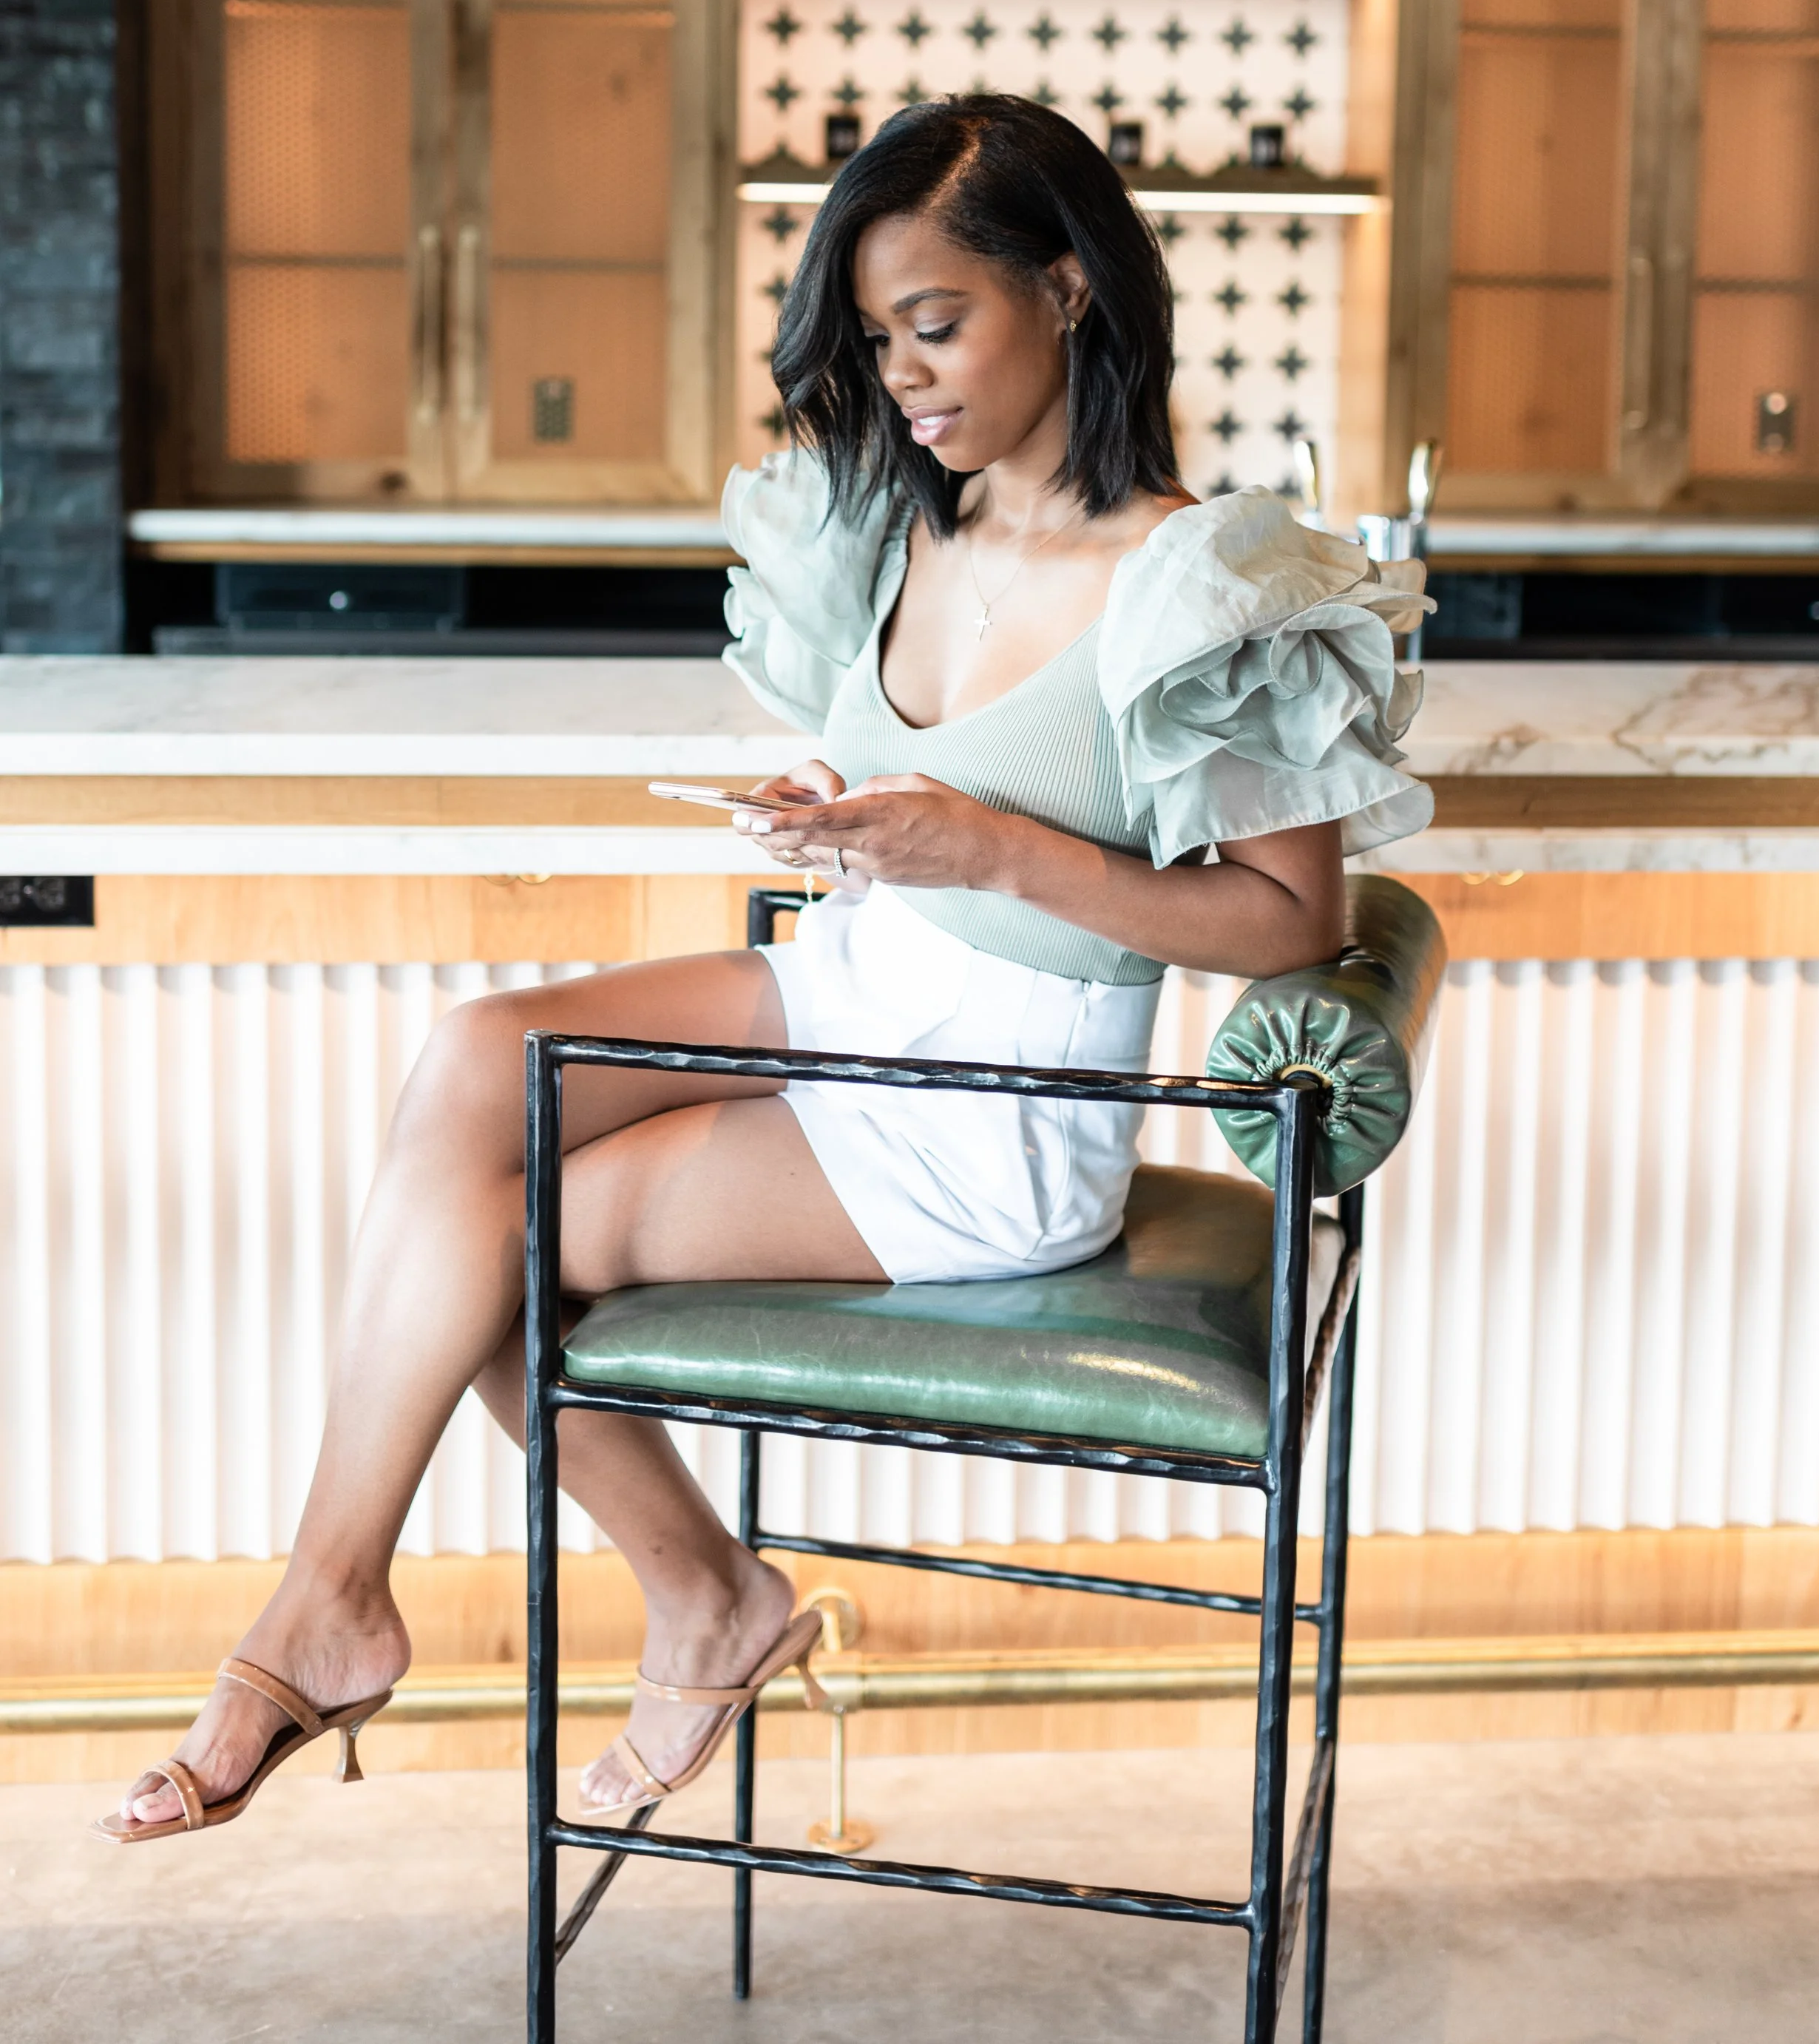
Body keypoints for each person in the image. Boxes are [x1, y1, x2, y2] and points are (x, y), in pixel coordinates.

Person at [100, 92, 1431, 1844]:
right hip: (853, 996)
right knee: (469, 1062)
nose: (904, 377)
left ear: (1072, 290)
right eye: (877, 340)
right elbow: (944, 804)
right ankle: (373, 1603)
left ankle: (497, 1612)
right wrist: (856, 816)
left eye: (936, 326)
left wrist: (986, 847)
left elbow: (1289, 927)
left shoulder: (1197, 585)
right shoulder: (905, 530)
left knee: (486, 1248)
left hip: (993, 1114)